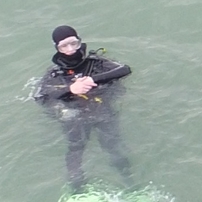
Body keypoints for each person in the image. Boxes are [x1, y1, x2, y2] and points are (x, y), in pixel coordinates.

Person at [34, 25, 133, 188]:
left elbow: (124, 70)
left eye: (74, 43)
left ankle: (129, 181)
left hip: (102, 111)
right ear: (57, 48)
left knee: (113, 147)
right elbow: (40, 96)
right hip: (75, 116)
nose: (70, 49)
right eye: (64, 46)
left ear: (79, 41)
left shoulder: (96, 63)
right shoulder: (55, 74)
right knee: (76, 148)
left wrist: (93, 80)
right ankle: (77, 188)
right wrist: (71, 89)